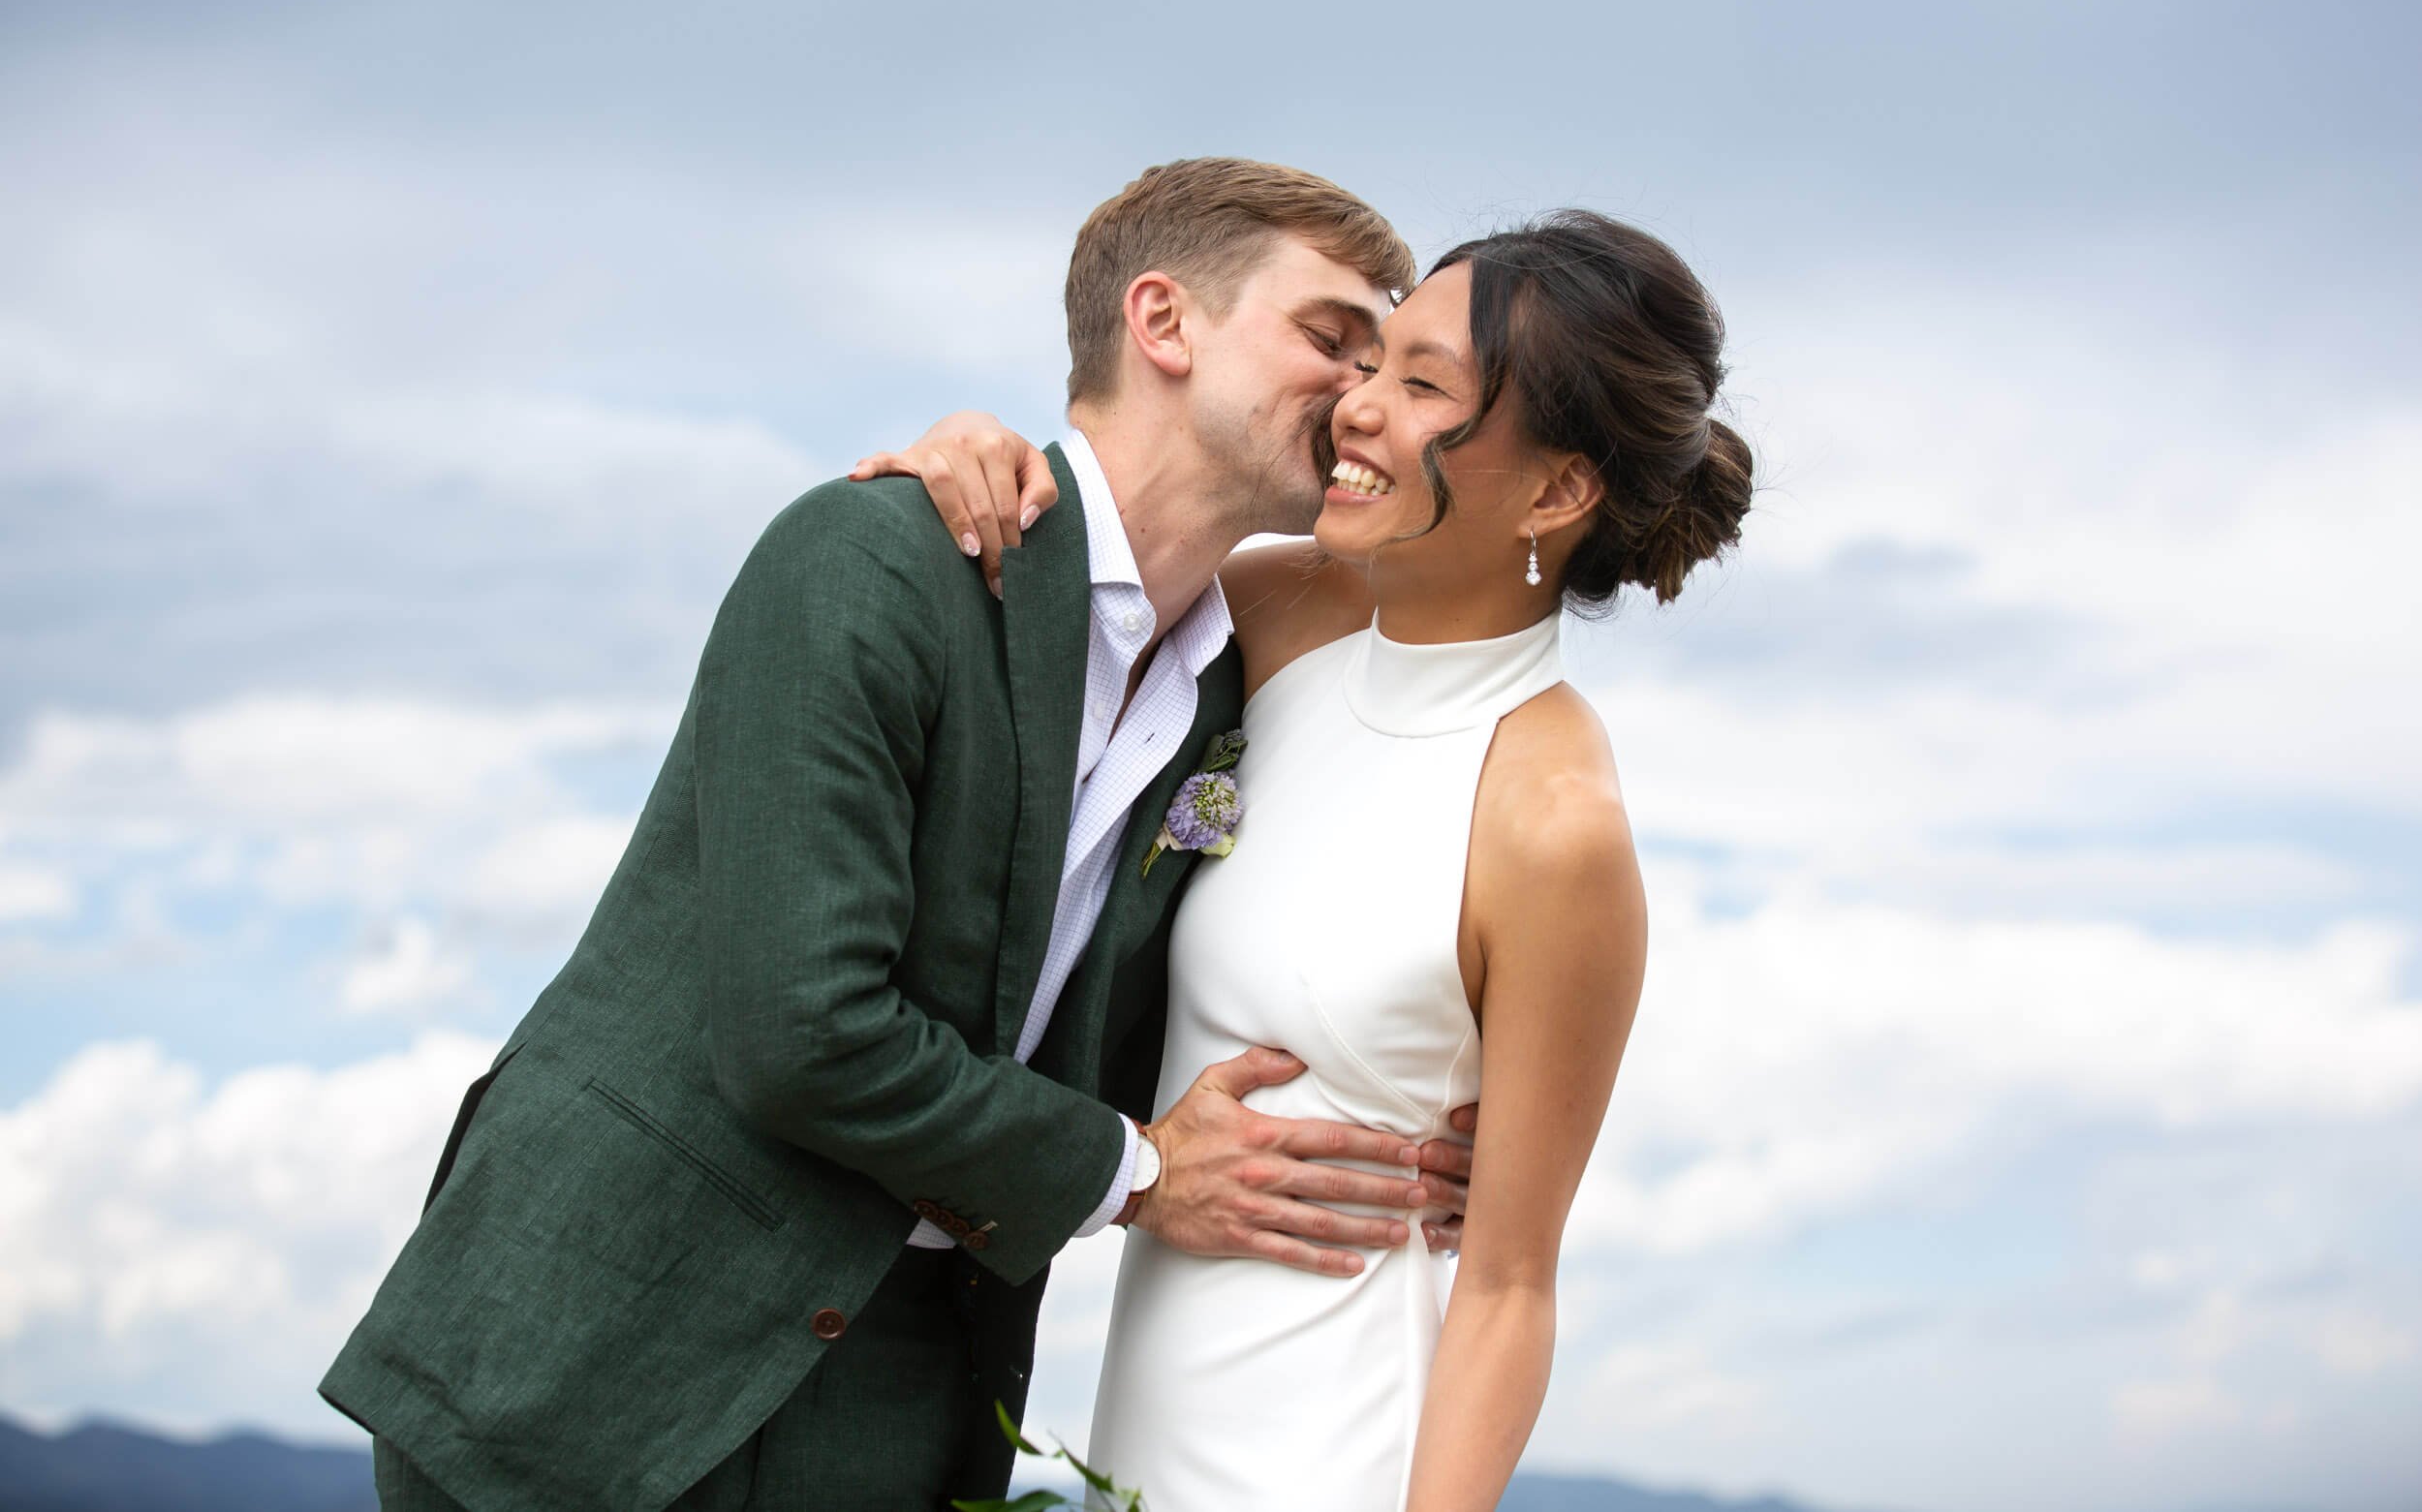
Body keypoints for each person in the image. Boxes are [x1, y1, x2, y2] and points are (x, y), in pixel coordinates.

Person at [317, 159, 1489, 1511]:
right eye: (1333, 340)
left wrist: (1414, 1130)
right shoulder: (874, 560)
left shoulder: (1241, 688)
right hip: (599, 1352)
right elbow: (805, 1031)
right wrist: (1144, 1171)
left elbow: (1198, 990)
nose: (1360, 397)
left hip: (911, 1388)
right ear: (1161, 324)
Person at [858, 208, 1754, 1509]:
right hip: (1147, 1422)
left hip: (1340, 1445)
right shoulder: (1275, 613)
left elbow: (1509, 1286)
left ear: (1560, 490)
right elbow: (1089, 544)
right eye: (1372, 362)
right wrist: (975, 453)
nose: (1358, 408)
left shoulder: (1554, 821)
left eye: (1422, 385)